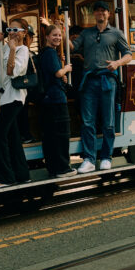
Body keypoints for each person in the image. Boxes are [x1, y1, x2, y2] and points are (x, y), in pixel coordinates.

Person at [68, 0, 132, 173]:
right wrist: (61, 31)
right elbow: (72, 47)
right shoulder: (86, 33)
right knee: (88, 121)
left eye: (103, 11)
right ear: (94, 14)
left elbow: (128, 55)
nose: (100, 14)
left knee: (108, 122)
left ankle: (106, 157)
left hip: (107, 81)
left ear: (108, 14)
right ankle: (89, 159)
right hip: (89, 81)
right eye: (97, 11)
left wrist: (117, 63)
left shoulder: (117, 34)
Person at [0, 18, 31, 188]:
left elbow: (11, 71)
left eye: (16, 29)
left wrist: (13, 50)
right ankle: (22, 175)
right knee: (13, 138)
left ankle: (5, 178)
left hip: (15, 97)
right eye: (9, 29)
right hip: (4, 98)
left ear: (24, 33)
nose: (12, 32)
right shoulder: (5, 47)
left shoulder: (23, 49)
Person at [40, 24, 77, 178]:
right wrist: (66, 69)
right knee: (61, 135)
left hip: (49, 98)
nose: (57, 38)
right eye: (54, 35)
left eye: (59, 35)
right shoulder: (49, 53)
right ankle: (62, 168)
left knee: (51, 135)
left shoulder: (47, 53)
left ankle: (54, 167)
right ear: (47, 37)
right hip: (56, 98)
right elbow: (57, 73)